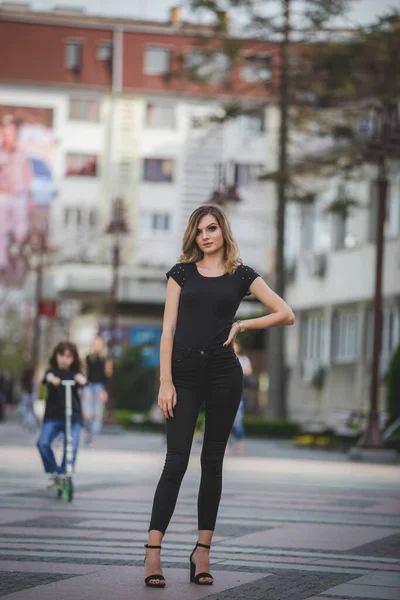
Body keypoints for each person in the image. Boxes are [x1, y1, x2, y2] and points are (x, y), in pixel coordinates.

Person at [143, 205, 294, 588]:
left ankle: (202, 552)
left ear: (223, 231)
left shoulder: (242, 275)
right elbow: (168, 330)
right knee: (175, 462)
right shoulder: (181, 273)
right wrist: (166, 381)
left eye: (211, 228)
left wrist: (243, 323)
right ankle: (152, 553)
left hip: (225, 373)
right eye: (198, 231)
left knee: (212, 463)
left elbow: (285, 313)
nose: (205, 236)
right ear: (193, 237)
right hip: (184, 374)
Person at [36, 341, 86, 488]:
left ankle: (65, 473)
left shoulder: (75, 374)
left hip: (73, 416)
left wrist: (81, 380)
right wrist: (53, 380)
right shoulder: (51, 372)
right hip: (53, 416)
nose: (65, 359)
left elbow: (82, 380)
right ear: (56, 356)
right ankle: (55, 473)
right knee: (43, 443)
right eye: (62, 355)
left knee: (72, 446)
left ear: (73, 358)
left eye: (69, 356)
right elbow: (48, 378)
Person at [0, 114, 32, 282]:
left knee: (21, 231)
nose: (8, 137)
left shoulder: (23, 155)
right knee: (1, 230)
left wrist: (30, 197)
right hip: (3, 196)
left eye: (10, 134)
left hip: (19, 196)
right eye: (5, 134)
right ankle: (2, 264)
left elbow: (27, 176)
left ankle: (18, 258)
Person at [83, 335, 109, 444]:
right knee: (87, 413)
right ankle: (89, 432)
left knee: (97, 414)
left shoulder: (106, 360)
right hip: (89, 386)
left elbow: (108, 376)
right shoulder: (88, 358)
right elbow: (85, 374)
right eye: (94, 344)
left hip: (100, 387)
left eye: (98, 344)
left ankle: (92, 436)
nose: (96, 346)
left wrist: (105, 391)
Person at [229, 341, 254, 456]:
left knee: (238, 421)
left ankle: (239, 446)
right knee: (223, 420)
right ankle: (225, 446)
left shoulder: (243, 359)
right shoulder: (224, 357)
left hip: (239, 393)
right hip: (226, 392)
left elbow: (248, 371)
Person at [19, 365, 38, 430]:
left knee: (27, 409)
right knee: (30, 408)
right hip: (30, 396)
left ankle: (28, 420)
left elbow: (22, 389)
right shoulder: (32, 379)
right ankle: (30, 420)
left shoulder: (24, 380)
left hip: (26, 396)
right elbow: (35, 388)